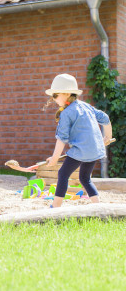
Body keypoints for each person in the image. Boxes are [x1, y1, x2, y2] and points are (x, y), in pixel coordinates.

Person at [44, 74, 112, 208]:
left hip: (80, 150)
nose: (54, 99)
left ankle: (56, 206)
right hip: (95, 151)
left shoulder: (66, 113)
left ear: (67, 93)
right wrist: (108, 137)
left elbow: (61, 139)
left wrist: (55, 158)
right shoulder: (86, 106)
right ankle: (97, 206)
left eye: (56, 95)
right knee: (85, 178)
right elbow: (105, 118)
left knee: (62, 174)